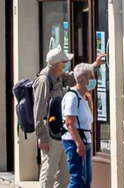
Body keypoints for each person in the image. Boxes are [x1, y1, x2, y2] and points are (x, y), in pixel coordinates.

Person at [32, 49, 72, 188]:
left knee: (63, 173)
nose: (66, 64)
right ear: (55, 64)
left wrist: (94, 66)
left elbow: (76, 77)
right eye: (64, 62)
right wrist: (42, 137)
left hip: (61, 130)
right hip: (49, 133)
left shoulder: (59, 76)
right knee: (49, 171)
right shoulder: (44, 80)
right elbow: (38, 111)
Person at [61, 63, 98, 188]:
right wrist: (78, 143)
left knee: (86, 179)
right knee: (77, 179)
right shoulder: (72, 97)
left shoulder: (84, 97)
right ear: (83, 80)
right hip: (75, 141)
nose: (94, 80)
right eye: (91, 77)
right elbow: (69, 122)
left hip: (85, 140)